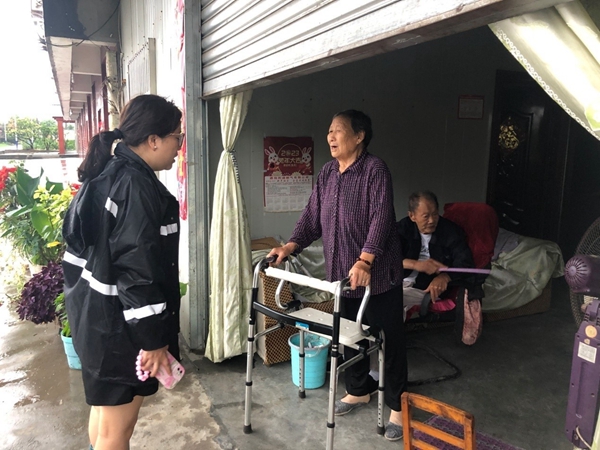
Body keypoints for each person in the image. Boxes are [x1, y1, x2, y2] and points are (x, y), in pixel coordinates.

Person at [268, 109, 407, 441]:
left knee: (389, 341)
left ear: (359, 136)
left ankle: (398, 406)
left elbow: (382, 218)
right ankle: (358, 390)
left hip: (377, 277)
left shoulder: (375, 170)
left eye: (339, 130)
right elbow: (312, 216)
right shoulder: (328, 172)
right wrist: (290, 246)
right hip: (342, 277)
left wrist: (365, 261)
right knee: (348, 335)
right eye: (329, 130)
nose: (331, 136)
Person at [62, 94, 184, 450]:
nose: (179, 147)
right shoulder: (135, 185)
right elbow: (137, 268)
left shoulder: (110, 171)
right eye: (177, 137)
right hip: (119, 330)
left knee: (104, 423)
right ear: (153, 140)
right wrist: (153, 340)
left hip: (95, 321)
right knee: (116, 433)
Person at [397, 191, 476, 312]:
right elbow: (386, 258)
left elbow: (465, 262)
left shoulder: (451, 232)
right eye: (426, 216)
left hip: (426, 288)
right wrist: (416, 265)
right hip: (398, 282)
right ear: (412, 216)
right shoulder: (402, 228)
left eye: (435, 214)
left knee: (392, 300)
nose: (431, 220)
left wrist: (445, 277)